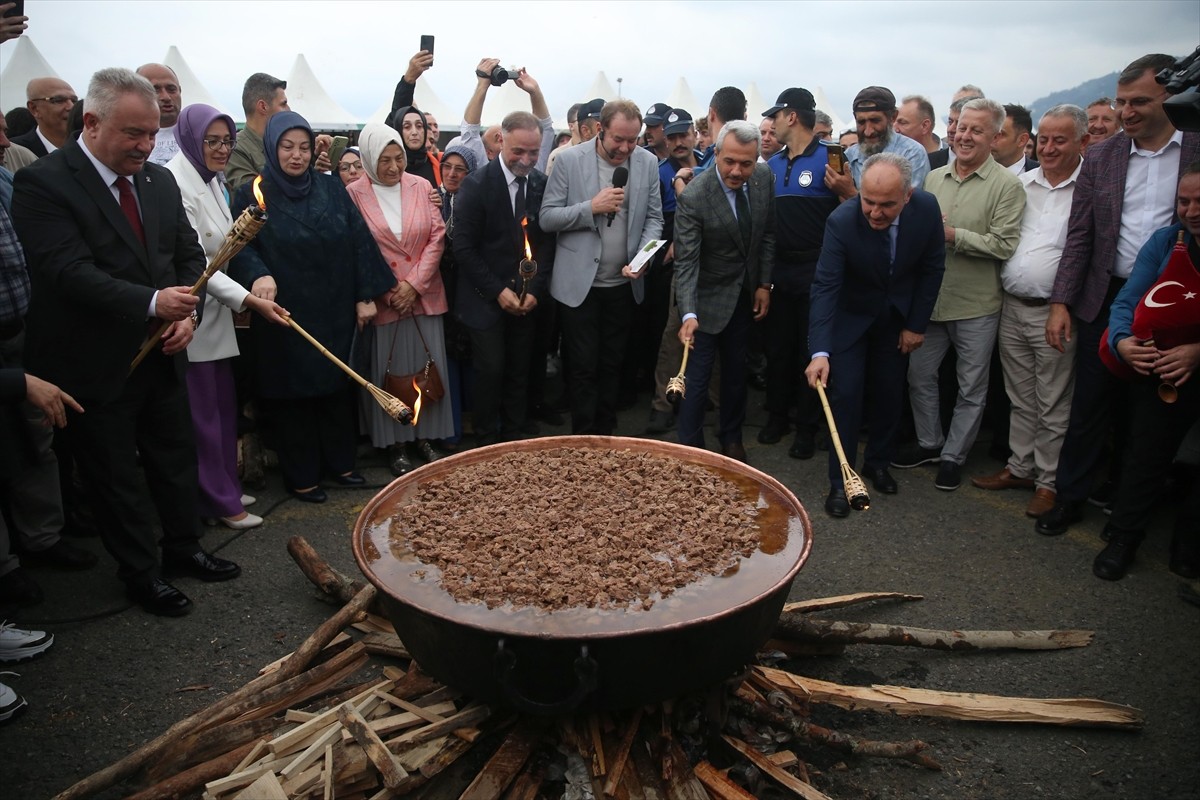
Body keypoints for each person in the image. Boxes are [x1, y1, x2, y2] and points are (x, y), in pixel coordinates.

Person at [12, 67, 241, 617]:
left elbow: (188, 257)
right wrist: (151, 303)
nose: (146, 145)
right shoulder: (44, 183)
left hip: (163, 352)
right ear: (90, 123)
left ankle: (184, 548)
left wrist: (186, 314)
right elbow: (66, 271)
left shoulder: (156, 181)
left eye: (150, 133)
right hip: (93, 361)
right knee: (116, 476)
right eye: (133, 134)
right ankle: (141, 573)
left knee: (173, 457)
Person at [1037, 53, 1200, 536]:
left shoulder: (1196, 149)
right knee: (1090, 405)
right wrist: (1061, 302)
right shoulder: (1103, 156)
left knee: (1148, 411)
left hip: (1174, 298)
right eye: (1122, 102)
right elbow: (1080, 235)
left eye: (1139, 102)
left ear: (1169, 98)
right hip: (1104, 295)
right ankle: (1070, 498)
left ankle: (1129, 510)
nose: (1127, 113)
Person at [229, 111, 396, 503]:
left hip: (334, 305)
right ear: (272, 147)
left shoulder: (330, 187)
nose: (297, 156)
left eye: (304, 147)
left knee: (337, 387)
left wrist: (365, 294)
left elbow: (358, 239)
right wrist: (257, 274)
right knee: (294, 397)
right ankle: (302, 474)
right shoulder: (253, 191)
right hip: (286, 311)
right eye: (287, 147)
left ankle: (341, 465)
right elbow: (239, 247)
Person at [164, 103, 288, 530]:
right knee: (202, 416)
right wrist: (249, 301)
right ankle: (216, 499)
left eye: (227, 141)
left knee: (221, 408)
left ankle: (223, 488)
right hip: (193, 316)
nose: (221, 149)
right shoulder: (176, 181)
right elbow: (198, 263)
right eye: (211, 141)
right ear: (190, 139)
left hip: (219, 315)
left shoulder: (211, 179)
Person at [894, 98, 1025, 491]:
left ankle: (954, 456)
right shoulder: (934, 179)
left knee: (971, 387)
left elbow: (1004, 245)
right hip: (931, 302)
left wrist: (952, 235)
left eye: (976, 130)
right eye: (961, 128)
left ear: (995, 136)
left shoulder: (1008, 186)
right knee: (920, 377)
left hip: (976, 305)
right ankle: (930, 442)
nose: (964, 136)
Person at [806, 153, 945, 516]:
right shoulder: (841, 221)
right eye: (868, 202)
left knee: (889, 392)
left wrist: (916, 324)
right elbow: (825, 287)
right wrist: (819, 352)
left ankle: (878, 463)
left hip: (896, 319)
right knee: (847, 395)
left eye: (887, 205)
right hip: (850, 319)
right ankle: (843, 481)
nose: (875, 213)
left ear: (908, 196)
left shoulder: (927, 208)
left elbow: (933, 269)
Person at [971, 105, 1088, 518]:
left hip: (1055, 312)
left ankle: (1048, 482)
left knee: (1053, 400)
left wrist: (1063, 304)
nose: (1050, 148)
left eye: (1061, 140)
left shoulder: (1088, 188)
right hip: (1013, 306)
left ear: (1082, 142)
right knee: (1020, 397)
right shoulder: (1021, 183)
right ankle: (1021, 467)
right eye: (1046, 139)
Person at [1091, 163, 1200, 580]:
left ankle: (1188, 544)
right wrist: (1122, 341)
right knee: (1146, 453)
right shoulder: (1164, 241)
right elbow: (1127, 300)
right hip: (1161, 368)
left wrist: (1197, 351)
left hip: (1192, 362)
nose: (1191, 211)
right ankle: (1124, 536)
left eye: (1199, 201)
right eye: (1183, 202)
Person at [541, 100, 663, 435]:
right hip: (578, 287)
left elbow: (655, 218)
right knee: (582, 367)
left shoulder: (648, 163)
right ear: (599, 130)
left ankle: (607, 437)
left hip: (622, 286)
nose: (625, 148)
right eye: (618, 140)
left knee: (613, 365)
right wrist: (590, 207)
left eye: (633, 140)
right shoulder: (568, 159)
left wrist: (644, 257)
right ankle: (582, 439)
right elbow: (547, 217)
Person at [347, 123, 453, 475]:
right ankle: (396, 444)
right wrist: (391, 289)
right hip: (386, 298)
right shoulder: (354, 193)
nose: (393, 167)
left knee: (426, 366)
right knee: (389, 370)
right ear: (367, 160)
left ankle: (427, 437)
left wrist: (415, 285)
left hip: (422, 295)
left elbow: (437, 236)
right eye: (384, 160)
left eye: (399, 159)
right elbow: (357, 247)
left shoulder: (421, 186)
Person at [675, 120, 776, 462]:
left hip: (744, 297)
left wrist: (764, 284)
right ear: (715, 153)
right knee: (696, 382)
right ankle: (691, 452)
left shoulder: (764, 181)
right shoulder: (695, 196)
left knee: (736, 376)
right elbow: (686, 262)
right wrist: (688, 313)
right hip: (703, 302)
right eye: (729, 161)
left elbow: (767, 235)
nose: (736, 171)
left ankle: (731, 439)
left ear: (757, 159)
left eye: (746, 163)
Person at [452, 112, 555, 445]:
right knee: (491, 370)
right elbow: (463, 247)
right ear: (501, 141)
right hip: (485, 299)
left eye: (533, 152)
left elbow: (547, 243)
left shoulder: (540, 184)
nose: (526, 160)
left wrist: (535, 291)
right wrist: (497, 291)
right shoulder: (477, 185)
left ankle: (514, 439)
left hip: (526, 297)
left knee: (519, 369)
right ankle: (485, 440)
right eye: (518, 152)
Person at [759, 87, 839, 460]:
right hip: (780, 268)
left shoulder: (831, 159)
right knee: (778, 349)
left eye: (775, 116)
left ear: (792, 116)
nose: (770, 124)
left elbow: (851, 209)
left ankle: (807, 428)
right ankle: (777, 417)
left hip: (817, 269)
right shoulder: (772, 164)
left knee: (811, 351)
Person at [435, 143, 481, 446]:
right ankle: (449, 431)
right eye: (447, 167)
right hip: (439, 290)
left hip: (471, 290)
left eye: (460, 169)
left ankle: (474, 426)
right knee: (445, 360)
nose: (452, 174)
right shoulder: (430, 199)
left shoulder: (478, 201)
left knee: (473, 361)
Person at [831, 86, 930, 196]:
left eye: (875, 120)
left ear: (893, 117)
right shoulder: (849, 155)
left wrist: (850, 193)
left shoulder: (912, 153)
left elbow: (905, 208)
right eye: (861, 122)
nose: (868, 131)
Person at [225, 72, 288, 191]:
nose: (289, 110)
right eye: (283, 104)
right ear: (263, 107)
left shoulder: (280, 145)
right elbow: (254, 193)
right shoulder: (236, 149)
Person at [11, 77, 77, 158]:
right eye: (59, 100)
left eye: (74, 101)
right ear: (34, 108)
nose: (71, 107)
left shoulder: (90, 148)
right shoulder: (14, 153)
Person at [136, 63, 181, 165]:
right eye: (155, 90)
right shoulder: (127, 137)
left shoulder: (201, 132)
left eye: (171, 89)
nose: (166, 97)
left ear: (180, 90)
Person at [386, 104, 440, 188]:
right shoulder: (389, 167)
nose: (414, 132)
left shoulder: (438, 163)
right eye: (407, 127)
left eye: (419, 126)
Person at [992, 104, 1038, 176]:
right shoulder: (972, 171)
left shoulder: (1041, 174)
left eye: (1000, 134)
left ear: (1022, 140)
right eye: (990, 132)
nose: (991, 139)